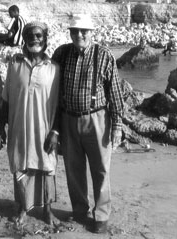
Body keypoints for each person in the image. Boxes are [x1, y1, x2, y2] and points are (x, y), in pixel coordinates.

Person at [51, 14, 124, 234]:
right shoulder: (61, 54)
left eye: (83, 31)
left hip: (97, 119)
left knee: (100, 169)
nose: (79, 35)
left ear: (92, 32)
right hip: (68, 118)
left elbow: (115, 93)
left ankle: (101, 215)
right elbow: (52, 89)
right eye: (74, 31)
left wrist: (118, 126)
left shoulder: (104, 55)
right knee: (74, 169)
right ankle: (80, 211)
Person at [0, 22, 61, 225]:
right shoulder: (14, 65)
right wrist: (1, 127)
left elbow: (59, 104)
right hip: (19, 129)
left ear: (45, 38)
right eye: (30, 35)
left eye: (39, 35)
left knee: (47, 167)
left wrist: (56, 132)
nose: (34, 39)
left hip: (44, 130)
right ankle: (23, 208)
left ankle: (47, 211)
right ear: (24, 39)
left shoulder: (54, 69)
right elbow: (6, 99)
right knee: (20, 167)